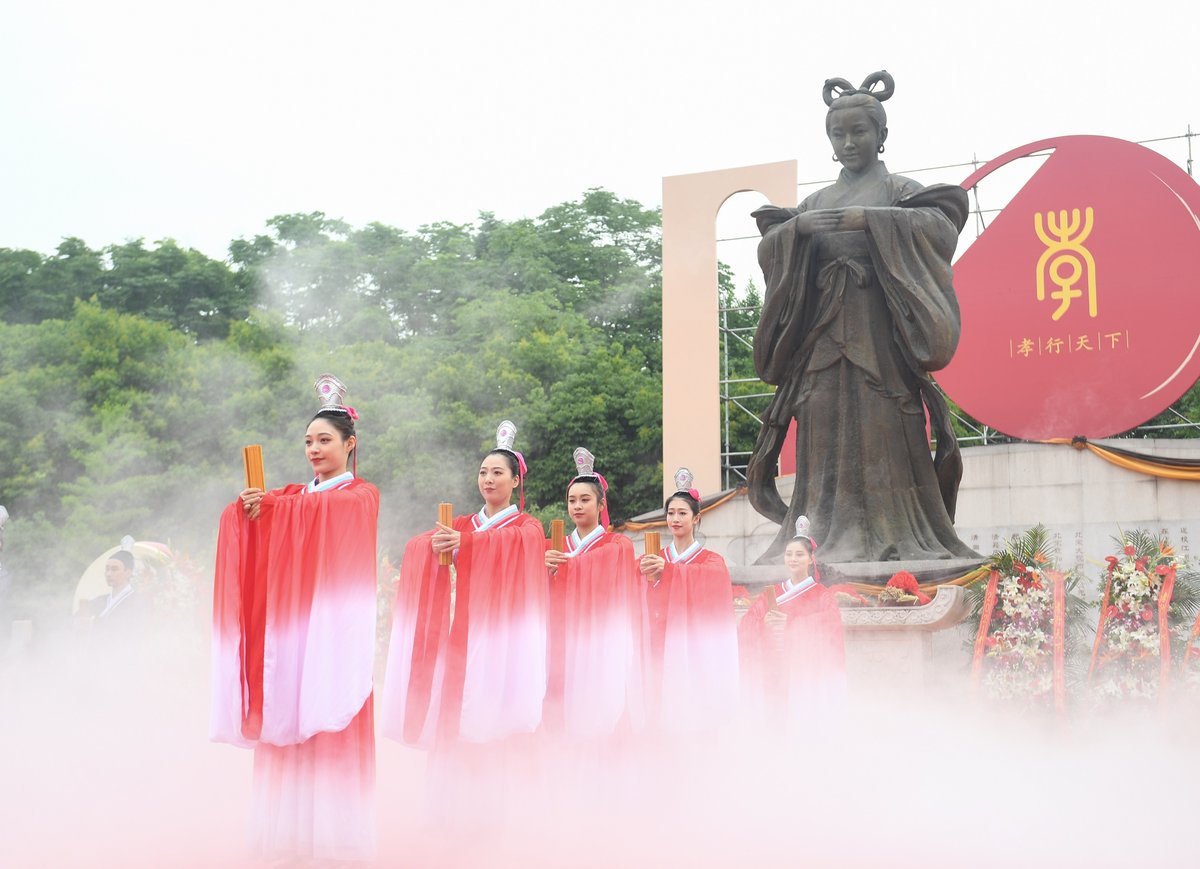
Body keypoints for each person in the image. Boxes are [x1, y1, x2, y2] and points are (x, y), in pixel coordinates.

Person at [746, 70, 977, 565]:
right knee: (823, 432)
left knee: (885, 430)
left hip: (881, 340)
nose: (849, 142)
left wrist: (872, 219)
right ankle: (819, 539)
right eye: (839, 134)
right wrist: (798, 232)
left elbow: (940, 226)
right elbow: (771, 245)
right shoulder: (814, 204)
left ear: (881, 135)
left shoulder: (898, 190)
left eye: (859, 132)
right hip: (823, 342)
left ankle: (897, 537)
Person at [210, 374, 379, 863]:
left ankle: (335, 839)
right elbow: (270, 517)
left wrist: (275, 509)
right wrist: (248, 512)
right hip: (291, 632)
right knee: (287, 708)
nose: (314, 449)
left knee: (328, 716)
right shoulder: (293, 496)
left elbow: (325, 516)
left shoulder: (359, 495)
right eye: (308, 441)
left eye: (325, 440)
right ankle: (285, 835)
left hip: (332, 636)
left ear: (350, 445)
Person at [383, 419, 548, 749]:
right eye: (483, 472)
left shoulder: (527, 527)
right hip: (461, 632)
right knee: (457, 711)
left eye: (498, 473)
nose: (488, 479)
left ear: (516, 480)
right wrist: (432, 547)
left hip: (505, 636)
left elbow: (518, 544)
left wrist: (469, 544)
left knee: (496, 718)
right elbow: (421, 544)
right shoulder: (462, 524)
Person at [543, 448, 645, 739]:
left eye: (585, 499)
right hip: (560, 637)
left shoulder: (617, 545)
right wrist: (544, 572)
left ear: (601, 505)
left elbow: (608, 576)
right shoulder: (555, 545)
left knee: (598, 711)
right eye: (572, 500)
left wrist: (568, 566)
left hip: (599, 640)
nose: (577, 506)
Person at [638, 468, 738, 733]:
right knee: (658, 707)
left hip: (694, 648)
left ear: (696, 518)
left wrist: (669, 572)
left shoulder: (711, 562)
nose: (675, 519)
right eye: (671, 513)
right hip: (658, 644)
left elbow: (712, 590)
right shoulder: (654, 556)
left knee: (691, 709)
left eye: (682, 513)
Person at [738, 516, 846, 726]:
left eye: (799, 554)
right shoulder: (772, 593)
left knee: (803, 721)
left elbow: (831, 625)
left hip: (805, 669)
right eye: (789, 554)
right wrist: (764, 623)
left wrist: (792, 622)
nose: (793, 559)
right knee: (775, 721)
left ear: (811, 558)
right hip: (774, 666)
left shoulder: (821, 594)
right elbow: (747, 624)